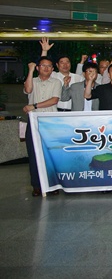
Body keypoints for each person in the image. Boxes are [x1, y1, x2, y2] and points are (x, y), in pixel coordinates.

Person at [23, 56, 62, 197]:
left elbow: (54, 100)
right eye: (43, 65)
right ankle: (37, 185)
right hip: (34, 122)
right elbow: (28, 90)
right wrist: (30, 70)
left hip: (51, 122)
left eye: (49, 66)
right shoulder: (32, 81)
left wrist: (34, 106)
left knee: (51, 154)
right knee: (34, 154)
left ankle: (52, 184)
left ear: (52, 69)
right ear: (38, 68)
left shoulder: (56, 82)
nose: (46, 68)